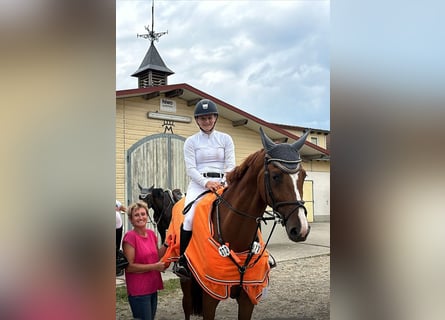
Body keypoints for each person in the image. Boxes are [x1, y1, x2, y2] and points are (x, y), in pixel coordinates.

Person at [174, 99, 236, 279]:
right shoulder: (191, 142)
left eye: (209, 118)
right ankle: (183, 260)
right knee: (190, 218)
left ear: (215, 118)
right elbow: (190, 169)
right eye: (203, 118)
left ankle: (258, 251)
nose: (206, 121)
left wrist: (223, 182)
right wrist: (206, 183)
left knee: (241, 209)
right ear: (197, 120)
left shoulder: (225, 139)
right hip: (199, 183)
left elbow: (230, 165)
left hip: (223, 182)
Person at [122, 201, 168, 320]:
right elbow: (129, 267)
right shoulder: (130, 237)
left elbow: (156, 256)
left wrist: (167, 244)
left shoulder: (152, 234)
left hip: (152, 286)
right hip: (139, 290)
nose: (141, 217)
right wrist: (155, 267)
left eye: (143, 214)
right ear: (131, 220)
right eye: (136, 215)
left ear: (147, 216)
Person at [116, 200, 128, 276]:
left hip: (118, 228)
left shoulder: (115, 201)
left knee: (116, 247)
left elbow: (124, 209)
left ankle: (117, 266)